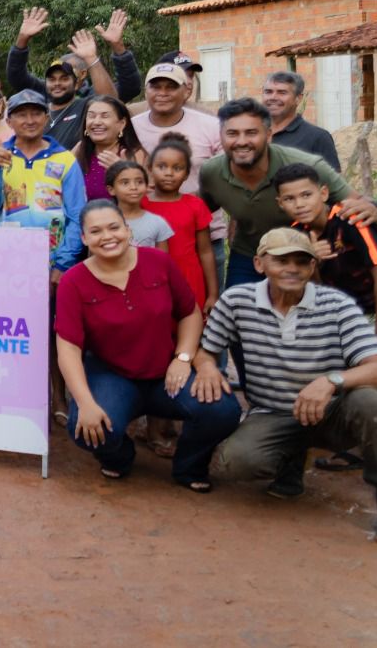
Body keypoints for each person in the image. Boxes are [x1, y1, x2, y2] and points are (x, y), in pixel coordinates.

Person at [199, 228, 377, 545]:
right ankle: (291, 460)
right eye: (281, 260)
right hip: (273, 412)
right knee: (237, 463)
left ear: (313, 267)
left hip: (332, 411)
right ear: (259, 264)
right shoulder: (237, 301)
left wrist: (332, 380)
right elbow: (207, 350)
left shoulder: (336, 305)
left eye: (302, 261)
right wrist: (205, 367)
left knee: (371, 405)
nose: (292, 268)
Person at [55, 200, 241, 491]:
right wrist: (86, 403)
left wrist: (183, 357)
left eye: (114, 227)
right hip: (111, 376)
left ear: (128, 230)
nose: (107, 236)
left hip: (165, 373)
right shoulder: (73, 281)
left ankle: (189, 465)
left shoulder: (158, 262)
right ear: (84, 238)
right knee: (85, 428)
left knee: (223, 409)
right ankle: (119, 457)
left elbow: (189, 312)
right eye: (96, 231)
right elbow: (68, 349)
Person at [275, 161, 377, 430]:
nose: (299, 204)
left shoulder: (349, 219)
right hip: (358, 302)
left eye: (306, 195)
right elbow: (319, 290)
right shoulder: (298, 233)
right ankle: (361, 440)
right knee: (359, 368)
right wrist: (314, 262)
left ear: (323, 193)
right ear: (280, 204)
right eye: (290, 198)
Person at [199, 98, 376, 290]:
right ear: (221, 136)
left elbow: (357, 202)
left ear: (268, 135)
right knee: (239, 311)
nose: (242, 141)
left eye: (251, 133)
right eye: (232, 133)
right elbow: (196, 213)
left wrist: (373, 207)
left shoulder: (306, 166)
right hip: (249, 254)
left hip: (303, 253)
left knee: (306, 314)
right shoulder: (211, 172)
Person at [0, 90, 86, 278]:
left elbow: (77, 215)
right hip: (7, 260)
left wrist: (63, 264)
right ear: (9, 122)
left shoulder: (65, 159)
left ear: (46, 118)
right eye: (21, 115)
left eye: (36, 114)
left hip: (52, 261)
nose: (30, 120)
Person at [6, 8, 140, 147]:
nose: (57, 83)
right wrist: (22, 39)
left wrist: (101, 54)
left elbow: (116, 96)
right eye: (51, 79)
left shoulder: (88, 104)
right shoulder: (41, 98)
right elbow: (17, 77)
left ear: (78, 79)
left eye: (65, 78)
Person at [130, 62, 224, 243]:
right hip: (145, 236)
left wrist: (187, 206)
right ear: (146, 90)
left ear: (186, 91)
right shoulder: (130, 128)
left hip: (203, 234)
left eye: (171, 87)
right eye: (155, 87)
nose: (162, 93)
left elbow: (224, 177)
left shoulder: (212, 126)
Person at [143, 134, 219, 311]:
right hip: (149, 281)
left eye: (177, 168)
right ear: (150, 169)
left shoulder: (195, 205)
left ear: (186, 173)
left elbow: (206, 252)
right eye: (162, 166)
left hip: (189, 279)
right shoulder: (140, 204)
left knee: (190, 329)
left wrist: (213, 294)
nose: (169, 173)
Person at [74, 96, 148, 202]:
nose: (96, 122)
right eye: (91, 116)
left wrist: (122, 171)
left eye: (105, 116)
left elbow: (140, 198)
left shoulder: (133, 153)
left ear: (122, 124)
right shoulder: (79, 149)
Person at [264, 70, 341, 170]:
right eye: (268, 92)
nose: (273, 97)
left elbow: (333, 183)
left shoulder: (318, 138)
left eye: (282, 92)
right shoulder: (252, 134)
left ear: (298, 99)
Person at [106, 160, 172, 249]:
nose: (134, 187)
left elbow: (162, 260)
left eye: (139, 182)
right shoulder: (103, 221)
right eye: (125, 183)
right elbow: (93, 259)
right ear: (111, 190)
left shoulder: (157, 222)